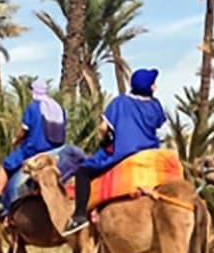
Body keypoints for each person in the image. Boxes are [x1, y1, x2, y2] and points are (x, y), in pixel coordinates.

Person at [63, 68, 166, 235]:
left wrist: (106, 140)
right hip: (149, 153)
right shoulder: (156, 106)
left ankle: (80, 216)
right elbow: (158, 124)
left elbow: (103, 128)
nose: (155, 87)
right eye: (153, 84)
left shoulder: (120, 103)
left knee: (83, 172)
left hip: (123, 153)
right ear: (148, 87)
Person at [0, 78, 66, 217]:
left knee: (5, 166)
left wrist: (16, 140)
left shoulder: (33, 107)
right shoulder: (58, 109)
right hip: (56, 151)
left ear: (34, 91)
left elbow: (24, 130)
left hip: (33, 150)